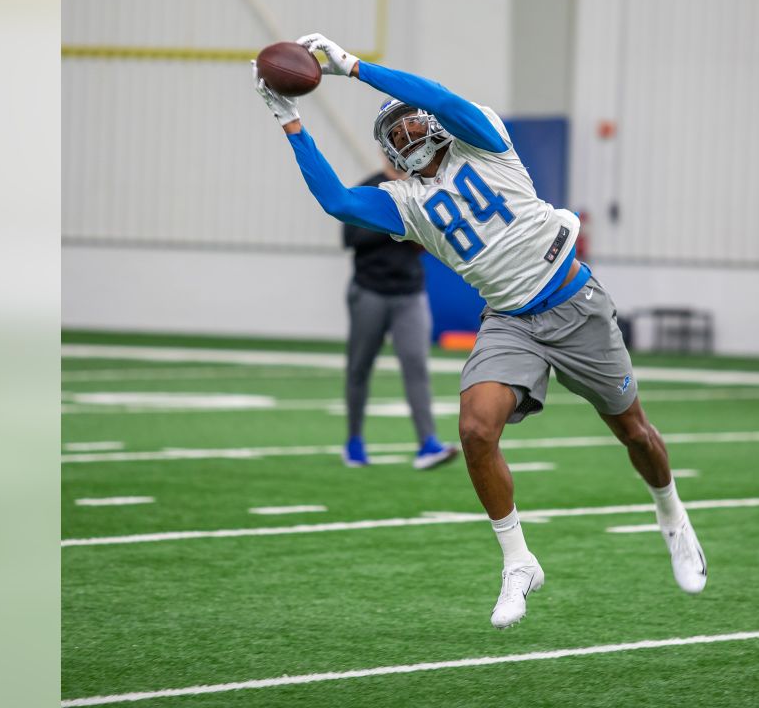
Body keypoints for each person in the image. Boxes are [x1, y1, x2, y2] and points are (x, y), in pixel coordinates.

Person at [252, 33, 707, 629]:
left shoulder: (485, 144)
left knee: (635, 433)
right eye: (397, 135)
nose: (409, 135)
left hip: (574, 303)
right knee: (474, 429)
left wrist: (355, 68)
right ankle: (518, 561)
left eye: (413, 125)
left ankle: (672, 516)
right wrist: (290, 121)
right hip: (509, 321)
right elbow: (338, 201)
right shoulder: (407, 202)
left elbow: (436, 95)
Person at [340, 158, 459, 471]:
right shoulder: (370, 187)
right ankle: (354, 441)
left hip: (410, 291)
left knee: (416, 366)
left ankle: (428, 442)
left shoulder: (420, 188)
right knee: (359, 367)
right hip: (370, 290)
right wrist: (396, 225)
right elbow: (350, 238)